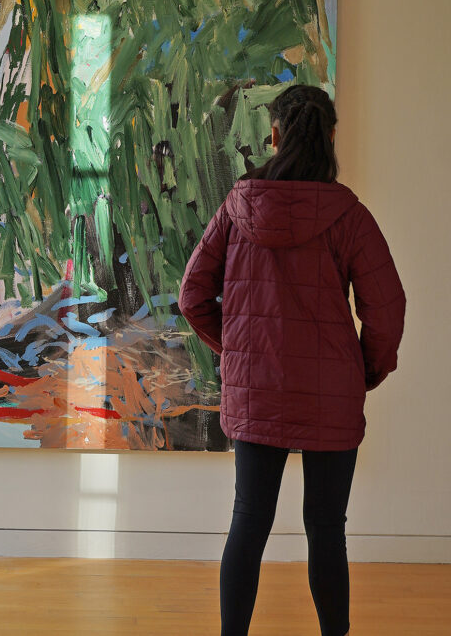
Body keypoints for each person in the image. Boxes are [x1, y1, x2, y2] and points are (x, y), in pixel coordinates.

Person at [178, 84, 407, 636]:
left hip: (256, 389)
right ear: (330, 137)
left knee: (249, 522)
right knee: (327, 528)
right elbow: (387, 307)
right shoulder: (348, 215)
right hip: (331, 394)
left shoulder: (237, 208)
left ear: (275, 135)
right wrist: (365, 369)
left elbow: (192, 296)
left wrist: (238, 355)